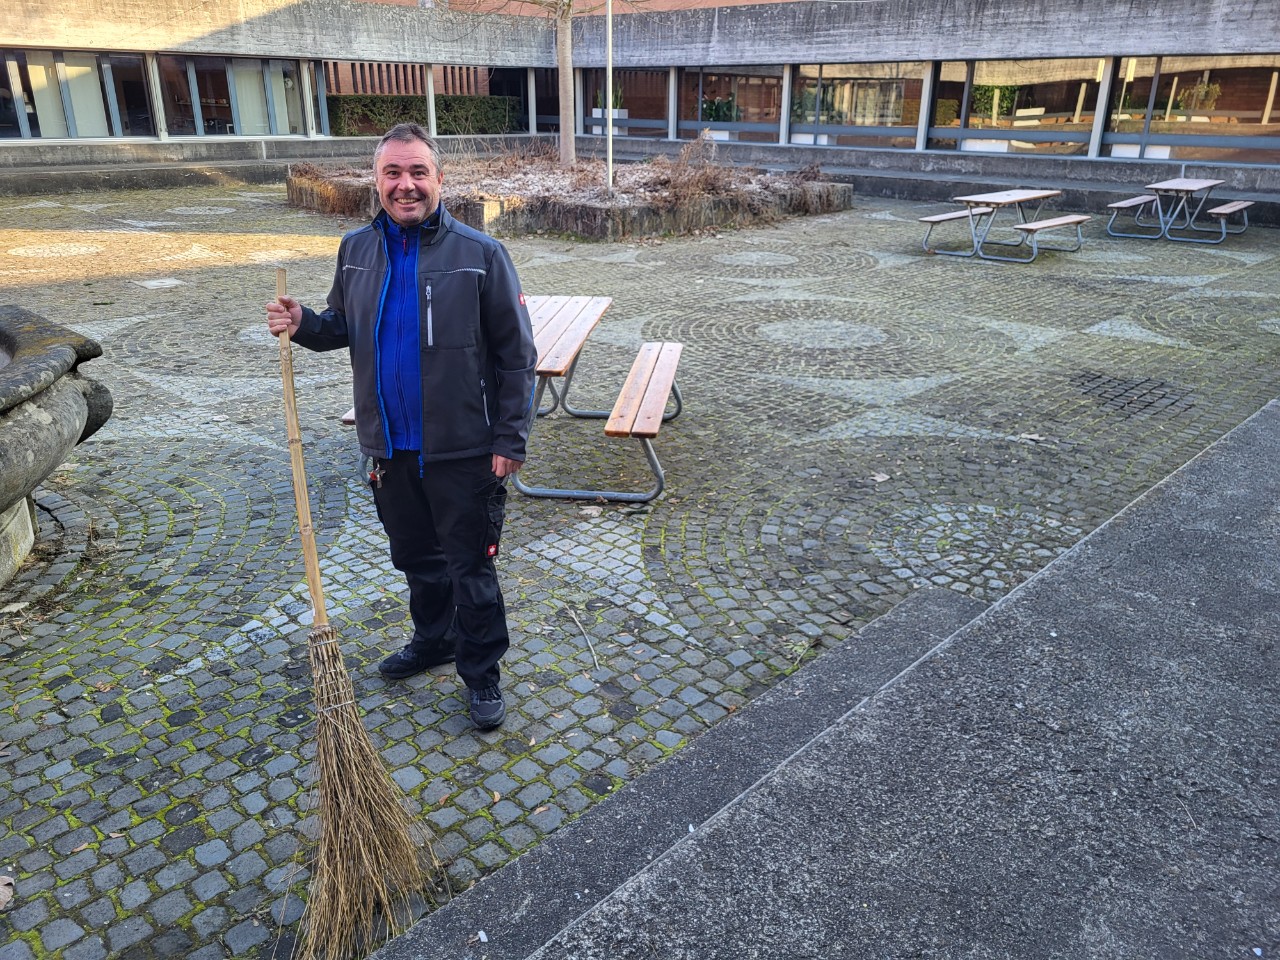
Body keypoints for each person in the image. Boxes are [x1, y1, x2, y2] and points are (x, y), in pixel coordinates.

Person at [266, 123, 537, 730]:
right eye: (393, 173)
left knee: (470, 565)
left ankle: (481, 669)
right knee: (417, 559)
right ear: (377, 180)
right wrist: (302, 319)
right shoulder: (356, 249)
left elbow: (517, 355)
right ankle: (433, 640)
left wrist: (510, 438)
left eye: (418, 173)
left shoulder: (481, 255)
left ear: (439, 180)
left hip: (464, 446)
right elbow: (342, 326)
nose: (405, 185)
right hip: (388, 447)